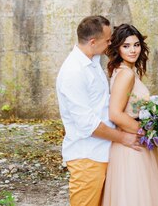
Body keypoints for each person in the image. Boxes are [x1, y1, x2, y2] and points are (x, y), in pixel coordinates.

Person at [56, 16, 141, 206]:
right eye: (108, 40)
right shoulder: (74, 72)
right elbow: (87, 124)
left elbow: (102, 104)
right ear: (93, 42)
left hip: (103, 152)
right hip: (87, 157)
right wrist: (123, 137)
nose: (111, 43)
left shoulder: (92, 61)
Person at [102, 23, 158, 206]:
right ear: (117, 47)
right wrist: (147, 133)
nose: (133, 50)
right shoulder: (126, 74)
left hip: (132, 140)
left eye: (136, 44)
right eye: (126, 46)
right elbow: (115, 114)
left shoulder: (124, 69)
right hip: (132, 144)